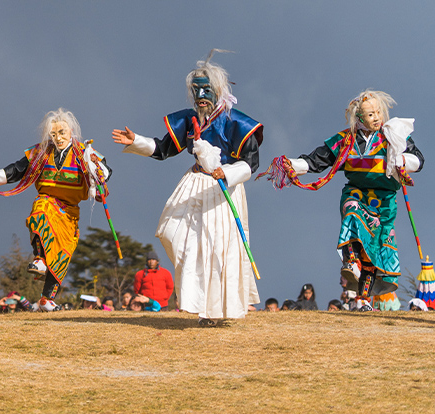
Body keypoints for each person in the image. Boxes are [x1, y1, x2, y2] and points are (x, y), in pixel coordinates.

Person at [113, 52, 262, 326]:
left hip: (223, 189)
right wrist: (136, 141)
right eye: (196, 91)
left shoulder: (236, 122)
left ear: (218, 90)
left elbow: (251, 162)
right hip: (194, 183)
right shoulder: (190, 120)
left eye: (206, 90)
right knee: (173, 233)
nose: (200, 96)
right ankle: (198, 299)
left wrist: (227, 173)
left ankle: (211, 312)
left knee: (217, 249)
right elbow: (163, 149)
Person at [259, 90, 424, 311]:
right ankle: (350, 260)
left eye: (378, 112)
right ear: (359, 118)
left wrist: (402, 160)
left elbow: (419, 160)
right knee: (352, 210)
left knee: (371, 254)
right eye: (370, 114)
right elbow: (318, 160)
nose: (376, 117)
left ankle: (363, 299)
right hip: (356, 193)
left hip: (384, 201)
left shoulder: (394, 136)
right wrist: (293, 165)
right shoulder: (346, 140)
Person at [0, 108, 110, 312]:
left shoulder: (84, 152)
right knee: (40, 212)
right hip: (48, 200)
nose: (58, 138)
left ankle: (46, 300)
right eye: (53, 134)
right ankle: (40, 258)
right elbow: (16, 170)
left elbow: (106, 172)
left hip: (70, 212)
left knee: (62, 254)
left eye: (62, 132)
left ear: (71, 131)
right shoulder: (41, 152)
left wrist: (96, 170)